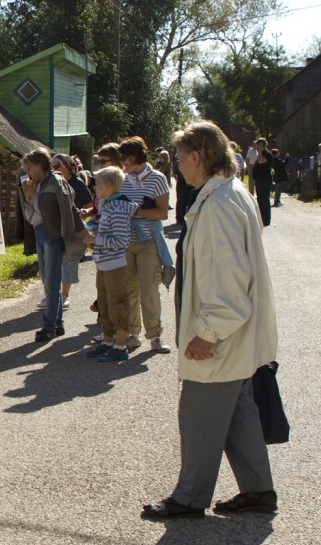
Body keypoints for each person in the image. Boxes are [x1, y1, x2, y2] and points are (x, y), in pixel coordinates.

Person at [141, 121, 278, 520]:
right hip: (234, 337)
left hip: (220, 336)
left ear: (199, 157)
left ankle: (189, 498)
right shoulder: (229, 194)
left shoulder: (218, 206)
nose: (178, 167)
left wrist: (207, 333)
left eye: (181, 159)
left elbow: (227, 280)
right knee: (238, 413)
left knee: (198, 416)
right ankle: (258, 491)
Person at [19, 147, 81, 342]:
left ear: (39, 165)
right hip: (40, 232)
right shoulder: (39, 183)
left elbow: (58, 209)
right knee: (48, 281)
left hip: (53, 235)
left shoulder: (54, 181)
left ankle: (49, 326)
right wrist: (29, 196)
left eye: (29, 167)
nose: (27, 171)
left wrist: (32, 197)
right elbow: (34, 211)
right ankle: (58, 323)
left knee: (52, 282)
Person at [119, 136, 173, 354]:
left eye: (124, 158)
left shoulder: (158, 178)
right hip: (125, 240)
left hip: (148, 241)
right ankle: (133, 334)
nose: (122, 162)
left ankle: (155, 336)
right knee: (129, 289)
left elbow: (162, 213)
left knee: (149, 288)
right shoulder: (122, 179)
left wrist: (137, 211)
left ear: (132, 157)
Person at [83, 166, 137, 363]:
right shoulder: (108, 205)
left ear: (109, 185)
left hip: (115, 265)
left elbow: (121, 241)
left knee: (118, 306)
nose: (94, 187)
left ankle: (120, 345)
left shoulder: (119, 207)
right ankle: (107, 342)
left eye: (97, 183)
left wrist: (95, 239)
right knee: (104, 306)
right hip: (104, 264)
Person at [52, 154, 93, 310]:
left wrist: (83, 218)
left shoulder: (77, 183)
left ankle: (64, 295)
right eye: (53, 165)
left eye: (57, 165)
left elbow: (90, 205)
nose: (54, 168)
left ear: (67, 167)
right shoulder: (53, 182)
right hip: (56, 227)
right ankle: (54, 295)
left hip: (74, 228)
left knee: (69, 261)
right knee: (54, 261)